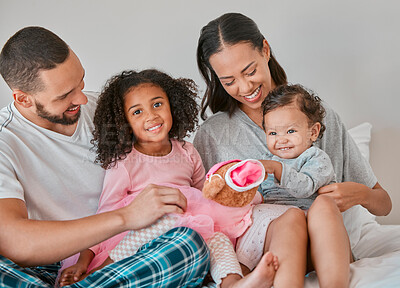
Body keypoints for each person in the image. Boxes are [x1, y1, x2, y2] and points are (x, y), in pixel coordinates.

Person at [0, 26, 209, 288]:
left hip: (122, 253)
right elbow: (16, 242)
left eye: (81, 82)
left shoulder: (109, 112)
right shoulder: (5, 141)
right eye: (65, 95)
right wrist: (126, 216)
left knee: (188, 245)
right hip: (48, 263)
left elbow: (161, 150)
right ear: (23, 99)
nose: (82, 99)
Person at [194, 12, 392, 288]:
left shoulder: (312, 116)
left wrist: (360, 194)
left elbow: (384, 204)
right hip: (268, 251)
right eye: (229, 81)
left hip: (327, 248)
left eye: (250, 71)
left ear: (265, 50)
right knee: (290, 219)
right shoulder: (212, 135)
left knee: (321, 206)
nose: (245, 87)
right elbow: (206, 214)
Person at [58, 69, 280, 288]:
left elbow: (206, 195)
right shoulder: (124, 163)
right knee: (168, 217)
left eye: (157, 104)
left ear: (172, 105)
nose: (151, 116)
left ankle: (233, 283)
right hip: (139, 238)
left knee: (216, 236)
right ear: (123, 122)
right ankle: (101, 272)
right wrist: (83, 261)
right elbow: (106, 217)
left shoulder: (187, 151)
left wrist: (236, 188)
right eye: (137, 112)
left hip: (187, 232)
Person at [254, 83, 351, 286]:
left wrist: (278, 169)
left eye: (290, 131)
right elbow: (259, 199)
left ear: (313, 132)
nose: (281, 140)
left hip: (321, 244)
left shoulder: (316, 158)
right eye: (273, 133)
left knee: (324, 204)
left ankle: (334, 282)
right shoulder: (266, 162)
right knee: (287, 216)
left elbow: (305, 186)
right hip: (287, 243)